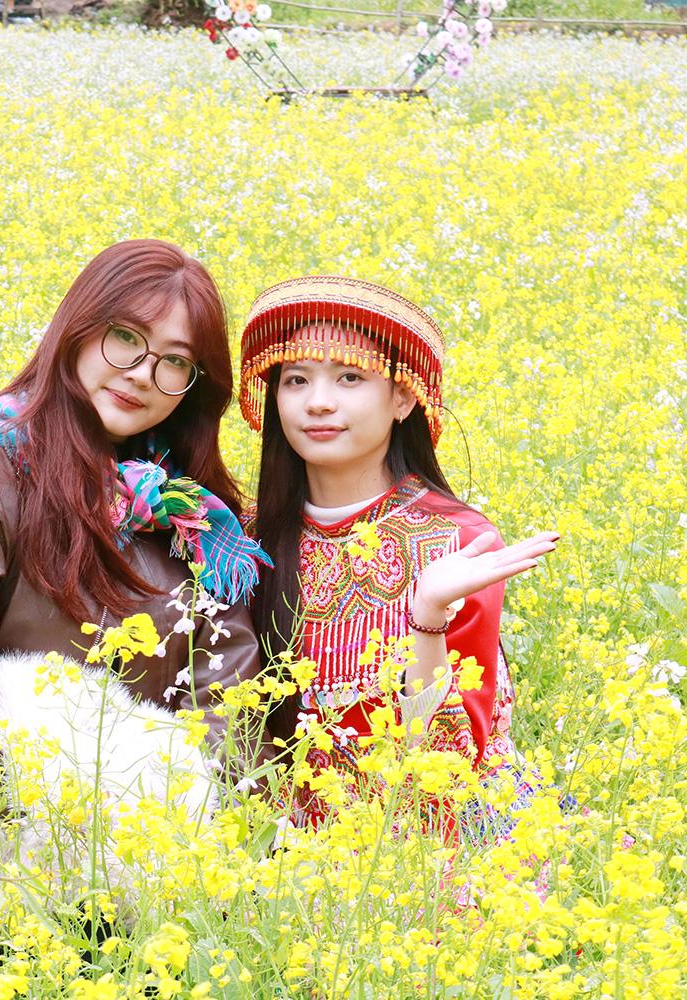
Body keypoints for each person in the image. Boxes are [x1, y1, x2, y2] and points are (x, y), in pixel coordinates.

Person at [0, 239, 269, 786]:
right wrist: (54, 820)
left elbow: (231, 707)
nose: (142, 373)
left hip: (149, 824)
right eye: (126, 337)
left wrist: (179, 815)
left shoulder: (192, 515)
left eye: (175, 361)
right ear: (78, 328)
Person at [239, 275, 559, 842]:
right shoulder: (244, 540)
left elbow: (448, 773)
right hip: (286, 841)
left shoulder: (457, 540)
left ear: (404, 397)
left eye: (350, 377)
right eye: (296, 379)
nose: (318, 401)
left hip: (430, 842)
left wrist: (429, 616)